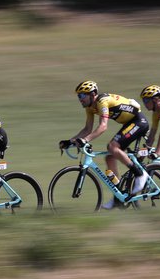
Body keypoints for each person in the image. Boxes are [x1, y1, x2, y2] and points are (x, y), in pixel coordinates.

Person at [60, 81, 150, 209]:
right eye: (78, 96)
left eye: (81, 96)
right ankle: (118, 197)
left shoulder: (102, 101)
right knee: (109, 157)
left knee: (112, 147)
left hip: (138, 121)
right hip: (129, 123)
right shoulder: (90, 108)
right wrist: (71, 141)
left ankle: (140, 174)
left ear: (92, 94)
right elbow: (87, 129)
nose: (79, 99)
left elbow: (103, 126)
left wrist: (85, 140)